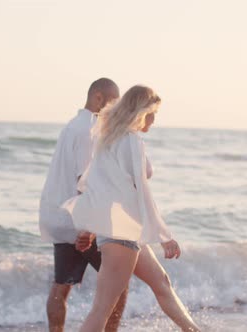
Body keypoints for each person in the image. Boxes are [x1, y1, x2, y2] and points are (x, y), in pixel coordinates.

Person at [63, 85, 201, 332]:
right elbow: (142, 193)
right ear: (141, 112)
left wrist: (89, 229)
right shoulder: (131, 141)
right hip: (122, 234)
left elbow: (93, 186)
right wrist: (164, 236)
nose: (154, 120)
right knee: (101, 309)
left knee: (162, 283)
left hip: (125, 231)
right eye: (153, 113)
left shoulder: (109, 139)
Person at [39, 78, 126, 332]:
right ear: (98, 97)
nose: (116, 109)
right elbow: (85, 183)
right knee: (119, 283)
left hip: (61, 218)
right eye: (113, 102)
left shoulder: (72, 126)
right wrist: (90, 227)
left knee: (61, 285)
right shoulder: (89, 130)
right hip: (79, 222)